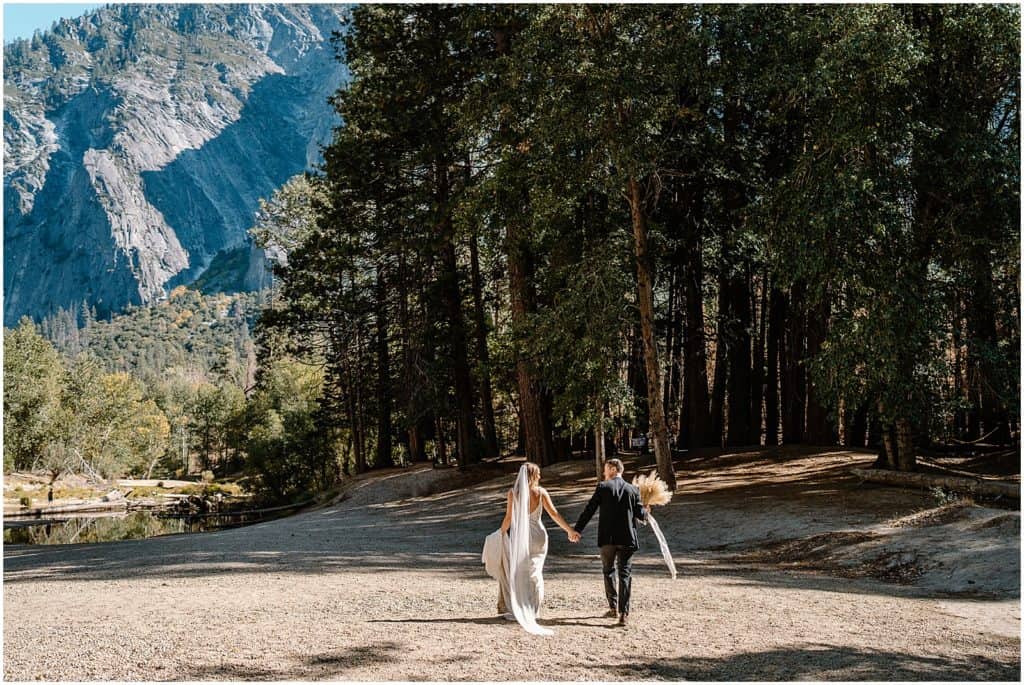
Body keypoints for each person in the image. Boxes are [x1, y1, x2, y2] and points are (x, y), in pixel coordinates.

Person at [481, 462, 579, 636]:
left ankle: (520, 606)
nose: (540, 477)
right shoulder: (541, 493)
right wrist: (569, 530)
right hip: (539, 536)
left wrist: (499, 534)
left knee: (520, 572)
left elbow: (509, 518)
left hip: (521, 537)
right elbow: (554, 513)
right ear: (532, 475)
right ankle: (534, 609)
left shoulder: (513, 493)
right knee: (535, 572)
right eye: (538, 474)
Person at [572, 458, 649, 626]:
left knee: (608, 571)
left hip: (607, 538)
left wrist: (577, 529)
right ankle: (624, 613)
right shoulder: (633, 489)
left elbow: (589, 509)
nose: (604, 473)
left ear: (614, 469)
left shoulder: (602, 487)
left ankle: (613, 607)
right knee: (625, 574)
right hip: (627, 538)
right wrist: (646, 510)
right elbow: (641, 515)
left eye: (606, 469)